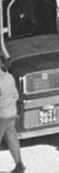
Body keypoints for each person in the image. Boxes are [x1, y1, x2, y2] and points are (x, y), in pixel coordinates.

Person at [0, 40, 27, 173]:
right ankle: (19, 165)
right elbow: (16, 95)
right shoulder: (9, 77)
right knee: (12, 137)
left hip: (1, 115)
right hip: (11, 113)